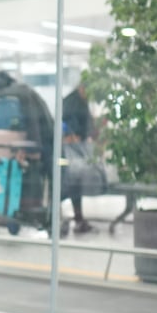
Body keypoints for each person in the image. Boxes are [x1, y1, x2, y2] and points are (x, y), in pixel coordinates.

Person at [60, 80, 95, 233]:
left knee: (76, 183)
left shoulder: (81, 101)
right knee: (70, 181)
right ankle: (71, 217)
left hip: (77, 147)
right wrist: (69, 135)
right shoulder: (70, 102)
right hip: (69, 149)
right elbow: (63, 121)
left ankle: (78, 217)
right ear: (82, 88)